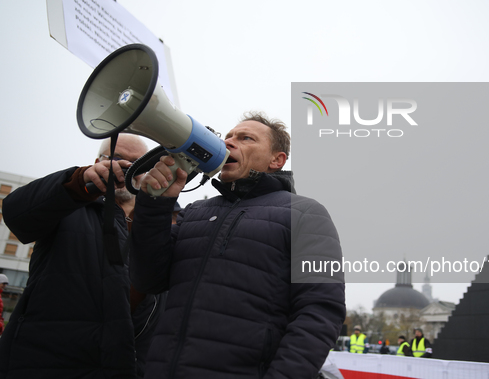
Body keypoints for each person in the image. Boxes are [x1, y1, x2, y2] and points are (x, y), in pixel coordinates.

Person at [129, 112, 346, 378]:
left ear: (276, 160)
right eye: (228, 137)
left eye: (246, 138)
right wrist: (154, 205)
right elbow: (148, 280)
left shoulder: (305, 214)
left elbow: (320, 310)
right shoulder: (194, 211)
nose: (229, 143)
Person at [0, 134, 158, 378]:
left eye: (139, 163)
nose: (126, 169)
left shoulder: (156, 224)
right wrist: (78, 181)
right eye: (117, 159)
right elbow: (16, 212)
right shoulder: (67, 204)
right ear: (98, 161)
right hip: (49, 363)